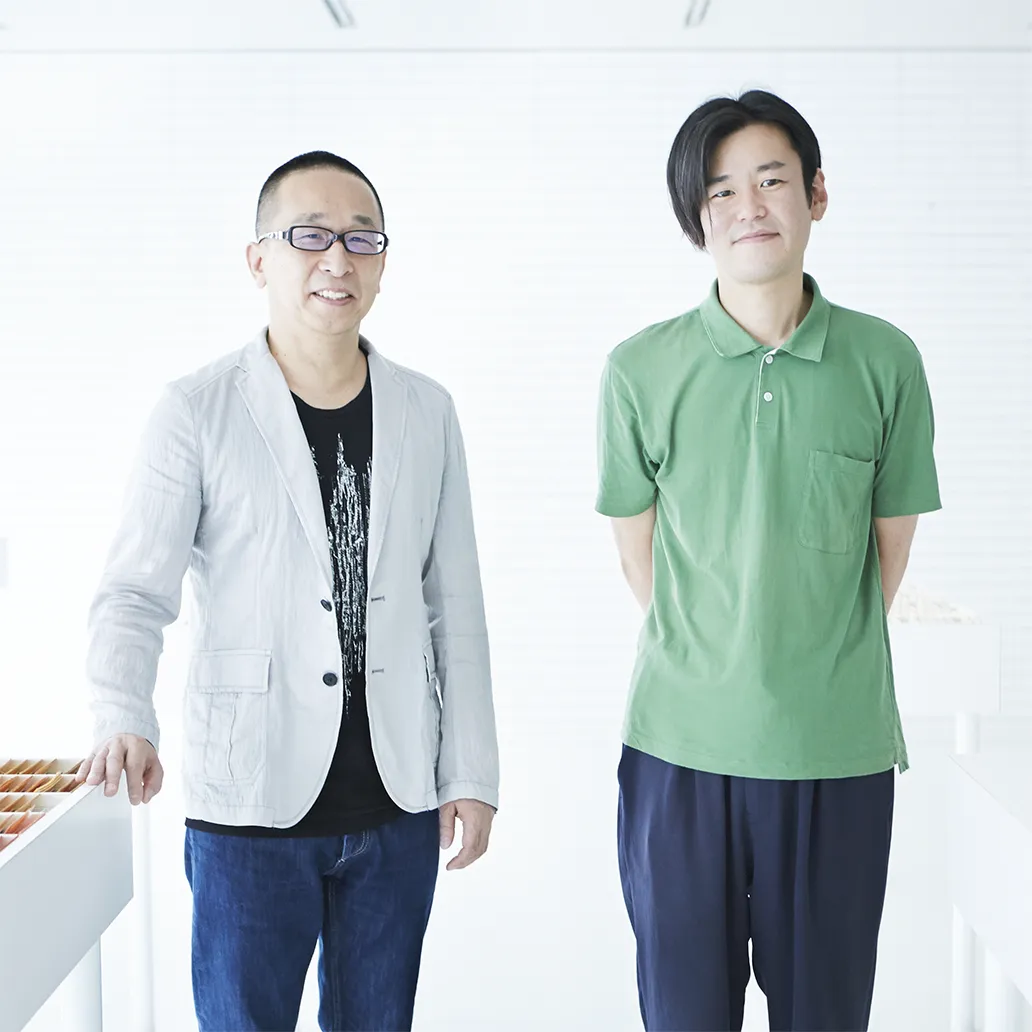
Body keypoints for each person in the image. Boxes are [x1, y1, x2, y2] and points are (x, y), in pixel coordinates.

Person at [76, 150, 499, 1032]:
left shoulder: (428, 410)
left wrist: (470, 771)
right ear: (259, 258)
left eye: (361, 238)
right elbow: (133, 592)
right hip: (250, 803)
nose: (337, 259)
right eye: (310, 235)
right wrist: (122, 713)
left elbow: (454, 605)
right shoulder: (196, 409)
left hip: (397, 801)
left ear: (382, 262)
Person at [595, 90, 940, 1032]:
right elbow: (639, 559)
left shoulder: (886, 362)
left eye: (772, 181)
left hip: (836, 754)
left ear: (816, 194)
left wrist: (804, 658)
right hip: (678, 754)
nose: (748, 207)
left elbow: (886, 552)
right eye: (720, 191)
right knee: (683, 1016)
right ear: (696, 218)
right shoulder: (639, 370)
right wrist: (720, 660)